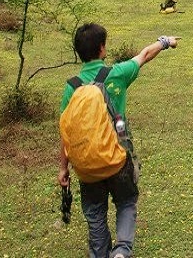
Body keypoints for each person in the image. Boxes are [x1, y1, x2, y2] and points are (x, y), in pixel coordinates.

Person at [58, 23, 179, 258]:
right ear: (102, 48)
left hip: (86, 167)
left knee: (95, 214)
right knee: (126, 202)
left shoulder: (71, 87)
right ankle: (122, 250)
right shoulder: (117, 73)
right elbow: (144, 55)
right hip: (117, 159)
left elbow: (66, 132)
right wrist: (165, 42)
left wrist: (63, 167)